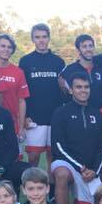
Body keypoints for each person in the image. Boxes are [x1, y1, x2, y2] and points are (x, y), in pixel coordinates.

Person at [50, 70, 102, 204]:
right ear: (70, 89)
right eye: (79, 87)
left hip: (90, 170)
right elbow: (58, 146)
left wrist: (94, 170)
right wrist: (80, 168)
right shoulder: (60, 112)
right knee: (61, 174)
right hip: (68, 165)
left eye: (86, 87)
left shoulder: (97, 114)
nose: (83, 90)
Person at [18, 23, 66, 166]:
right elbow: (21, 92)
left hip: (54, 117)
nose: (41, 40)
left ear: (49, 38)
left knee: (53, 157)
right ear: (32, 39)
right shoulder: (25, 61)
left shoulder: (58, 61)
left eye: (44, 37)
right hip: (34, 118)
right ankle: (31, 187)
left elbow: (63, 91)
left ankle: (50, 188)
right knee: (33, 157)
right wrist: (24, 117)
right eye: (37, 37)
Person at [0, 33, 29, 135]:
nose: (6, 49)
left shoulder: (18, 72)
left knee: (13, 151)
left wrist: (21, 127)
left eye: (9, 47)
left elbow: (21, 101)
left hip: (11, 123)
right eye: (3, 46)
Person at [61, 34, 102, 110]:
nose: (88, 49)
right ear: (78, 50)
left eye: (90, 46)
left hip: (100, 114)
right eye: (84, 47)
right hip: (79, 114)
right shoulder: (70, 70)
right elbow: (64, 91)